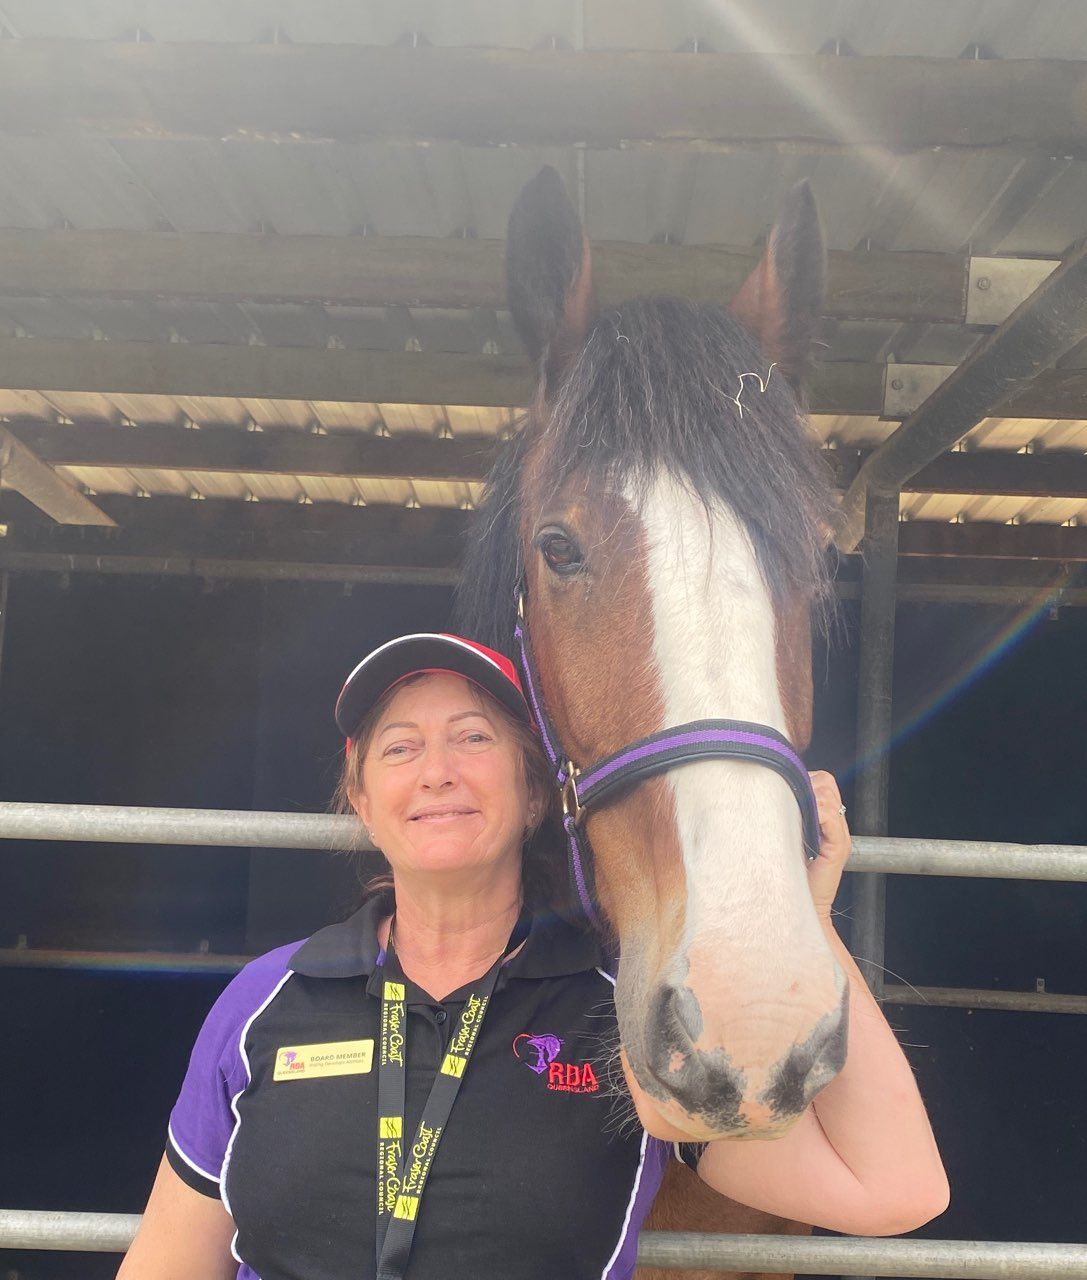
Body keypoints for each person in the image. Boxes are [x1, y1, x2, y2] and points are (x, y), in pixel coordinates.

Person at [118, 633, 948, 1280]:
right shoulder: (268, 998)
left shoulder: (620, 1004)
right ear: (364, 799)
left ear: (533, 791)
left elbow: (893, 1189)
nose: (437, 771)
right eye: (400, 748)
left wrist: (808, 915)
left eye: (472, 738)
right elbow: (168, 1263)